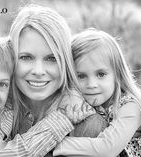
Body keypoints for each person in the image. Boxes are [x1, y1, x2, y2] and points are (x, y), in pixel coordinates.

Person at [9, 5, 103, 157]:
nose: (38, 71)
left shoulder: (87, 124)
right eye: (26, 57)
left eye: (51, 58)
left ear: (65, 61)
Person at [53, 28, 141, 157]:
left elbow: (107, 148)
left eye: (101, 74)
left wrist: (54, 145)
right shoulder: (80, 98)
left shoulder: (131, 107)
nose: (91, 85)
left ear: (118, 75)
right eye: (81, 76)